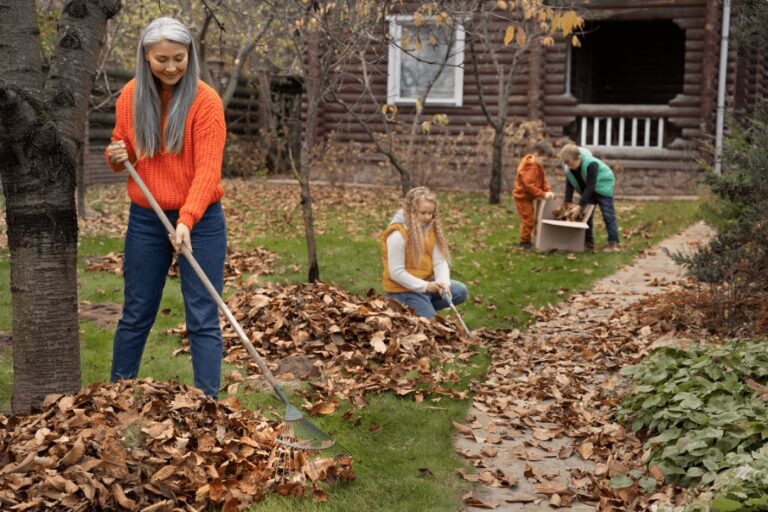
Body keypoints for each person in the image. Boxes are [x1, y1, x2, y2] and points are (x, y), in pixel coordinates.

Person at [105, 17, 227, 399]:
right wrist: (115, 154)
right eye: (162, 59)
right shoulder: (130, 96)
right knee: (136, 312)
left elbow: (208, 170)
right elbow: (122, 149)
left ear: (190, 54)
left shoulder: (205, 101)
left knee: (203, 317)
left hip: (201, 219)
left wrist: (187, 219)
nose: (171, 67)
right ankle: (116, 395)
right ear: (146, 56)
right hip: (146, 218)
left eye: (179, 58)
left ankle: (208, 404)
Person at [381, 187, 468, 319]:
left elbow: (440, 261)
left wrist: (443, 284)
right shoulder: (398, 234)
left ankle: (422, 308)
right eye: (423, 213)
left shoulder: (429, 229)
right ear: (411, 211)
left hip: (425, 284)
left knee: (460, 291)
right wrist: (426, 286)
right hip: (402, 290)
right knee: (432, 326)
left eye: (430, 213)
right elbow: (396, 273)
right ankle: (411, 308)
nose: (427, 217)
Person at [559, 143, 620, 251]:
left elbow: (591, 185)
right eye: (568, 166)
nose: (571, 168)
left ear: (579, 158)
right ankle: (588, 244)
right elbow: (570, 184)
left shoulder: (591, 164)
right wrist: (567, 202)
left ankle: (613, 242)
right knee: (586, 216)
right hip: (588, 190)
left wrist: (579, 205)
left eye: (572, 165)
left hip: (602, 186)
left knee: (608, 215)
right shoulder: (568, 165)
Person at [512, 140, 556, 249]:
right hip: (522, 198)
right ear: (537, 154)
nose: (545, 163)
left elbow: (543, 180)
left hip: (528, 198)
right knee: (528, 219)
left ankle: (529, 240)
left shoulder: (537, 165)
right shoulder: (530, 167)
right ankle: (524, 242)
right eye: (544, 160)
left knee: (531, 219)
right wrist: (542, 194)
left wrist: (548, 190)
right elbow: (529, 186)